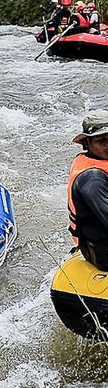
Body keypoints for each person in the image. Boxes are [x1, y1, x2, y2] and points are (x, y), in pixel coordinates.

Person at [68, 111, 108, 270]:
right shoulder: (92, 179)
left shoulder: (100, 161)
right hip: (102, 253)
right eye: (102, 140)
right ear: (87, 143)